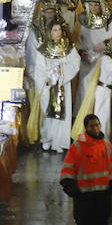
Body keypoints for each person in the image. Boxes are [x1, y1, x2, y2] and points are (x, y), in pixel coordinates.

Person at [75, 0, 112, 113]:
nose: (93, 8)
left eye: (96, 5)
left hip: (106, 63)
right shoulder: (83, 20)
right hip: (89, 63)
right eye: (90, 5)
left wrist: (107, 44)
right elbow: (78, 40)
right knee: (85, 91)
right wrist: (82, 51)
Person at [33, 19, 81, 152]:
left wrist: (62, 69)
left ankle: (59, 142)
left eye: (59, 30)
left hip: (63, 84)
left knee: (63, 114)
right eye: (55, 30)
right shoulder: (43, 49)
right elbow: (40, 68)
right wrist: (50, 74)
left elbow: (76, 62)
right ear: (50, 32)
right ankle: (47, 139)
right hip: (48, 85)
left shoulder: (68, 47)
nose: (58, 32)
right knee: (48, 114)